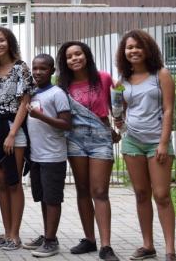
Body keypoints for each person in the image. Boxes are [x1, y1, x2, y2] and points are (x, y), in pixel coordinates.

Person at [115, 30, 176, 261]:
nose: (133, 51)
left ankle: (170, 250)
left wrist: (163, 143)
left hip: (157, 143)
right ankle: (148, 245)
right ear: (124, 52)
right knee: (141, 194)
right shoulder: (122, 80)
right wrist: (118, 119)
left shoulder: (161, 74)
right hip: (132, 142)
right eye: (129, 47)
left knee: (161, 195)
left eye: (138, 46)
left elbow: (169, 109)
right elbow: (118, 106)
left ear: (147, 49)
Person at [56, 41, 120, 261]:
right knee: (82, 189)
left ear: (86, 55)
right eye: (69, 56)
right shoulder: (63, 85)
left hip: (100, 139)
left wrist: (118, 126)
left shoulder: (103, 78)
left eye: (78, 54)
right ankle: (90, 239)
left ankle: (106, 245)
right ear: (64, 62)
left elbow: (118, 105)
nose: (74, 59)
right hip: (75, 139)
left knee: (100, 191)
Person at [0, 26, 34, 251]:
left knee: (14, 182)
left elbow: (25, 101)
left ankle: (15, 235)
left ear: (9, 42)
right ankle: (6, 231)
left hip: (14, 128)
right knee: (2, 183)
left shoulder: (21, 68)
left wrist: (13, 134)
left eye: (1, 40)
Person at [23, 54, 72, 258]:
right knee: (43, 198)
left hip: (53, 157)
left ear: (52, 71)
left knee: (52, 199)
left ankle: (51, 241)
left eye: (43, 69)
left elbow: (66, 123)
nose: (37, 72)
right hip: (36, 156)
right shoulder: (33, 93)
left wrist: (40, 116)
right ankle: (47, 235)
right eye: (35, 68)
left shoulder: (57, 93)